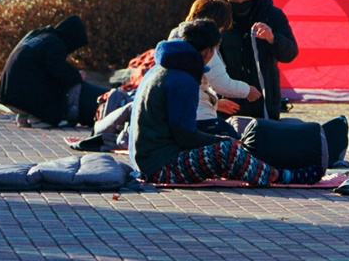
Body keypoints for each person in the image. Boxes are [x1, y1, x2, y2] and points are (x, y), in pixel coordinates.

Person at [128, 19, 322, 187]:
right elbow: (185, 136)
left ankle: (263, 170)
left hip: (149, 159)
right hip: (160, 166)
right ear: (207, 50)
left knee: (224, 142)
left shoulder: (163, 69)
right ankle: (282, 176)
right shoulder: (181, 79)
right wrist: (223, 141)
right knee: (226, 151)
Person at [217, 0, 298, 120]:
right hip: (226, 102)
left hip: (264, 101)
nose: (240, 3)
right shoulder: (216, 15)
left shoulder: (272, 15)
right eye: (234, 0)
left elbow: (290, 53)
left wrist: (273, 39)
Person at [0, 14, 106, 128]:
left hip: (7, 96)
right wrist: (77, 76)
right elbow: (59, 71)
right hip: (21, 99)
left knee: (42, 78)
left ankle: (25, 116)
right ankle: (41, 119)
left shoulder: (38, 35)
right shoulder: (55, 44)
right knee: (58, 86)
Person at [183, 0, 260, 138]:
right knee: (237, 142)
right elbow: (222, 84)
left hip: (179, 117)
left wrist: (216, 103)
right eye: (221, 28)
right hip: (200, 118)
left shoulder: (175, 39)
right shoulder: (203, 44)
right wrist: (248, 90)